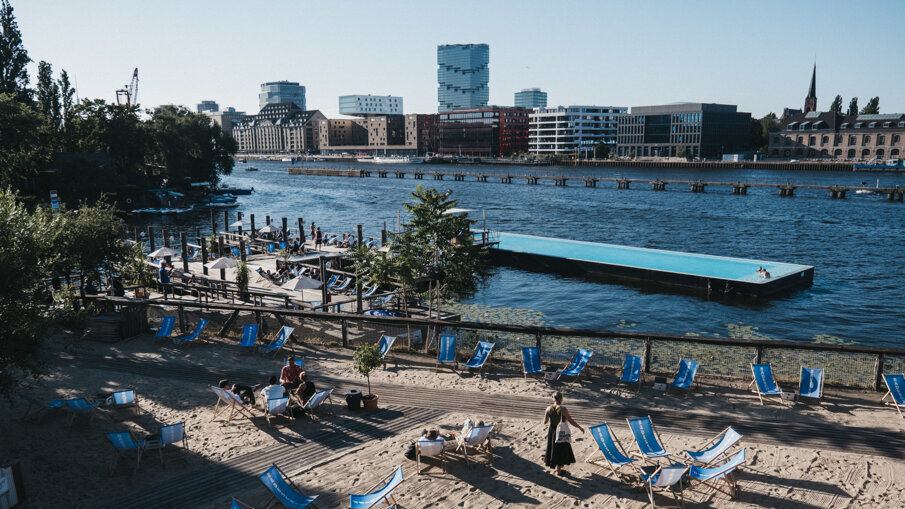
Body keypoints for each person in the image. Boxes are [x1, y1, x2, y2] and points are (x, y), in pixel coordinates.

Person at [543, 391, 584, 476]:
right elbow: (570, 420)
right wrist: (580, 427)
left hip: (552, 431)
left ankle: (556, 467)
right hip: (561, 431)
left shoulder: (548, 408)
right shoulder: (563, 409)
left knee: (553, 449)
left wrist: (551, 418)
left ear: (553, 399)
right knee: (561, 449)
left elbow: (545, 422)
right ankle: (559, 471)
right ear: (561, 399)